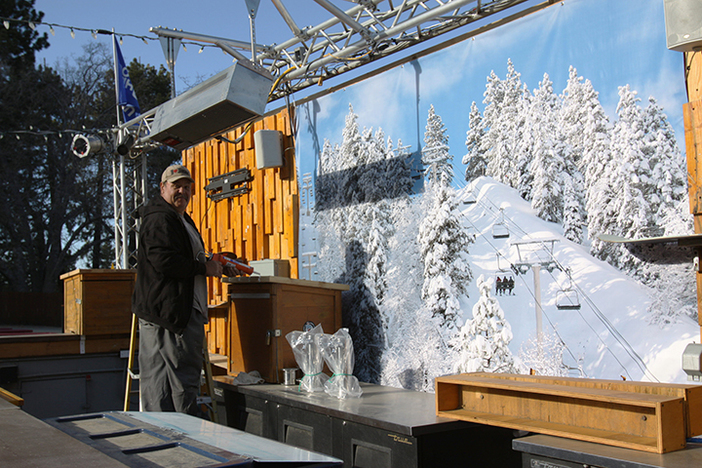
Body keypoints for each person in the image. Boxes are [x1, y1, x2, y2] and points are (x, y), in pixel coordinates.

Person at [131, 164, 237, 415]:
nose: (182, 191)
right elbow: (165, 261)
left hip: (165, 312)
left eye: (186, 187)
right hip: (173, 315)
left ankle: (164, 439)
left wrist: (219, 262)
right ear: (162, 188)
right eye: (176, 185)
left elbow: (184, 255)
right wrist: (204, 268)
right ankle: (186, 442)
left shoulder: (176, 217)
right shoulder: (160, 217)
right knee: (182, 384)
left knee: (158, 385)